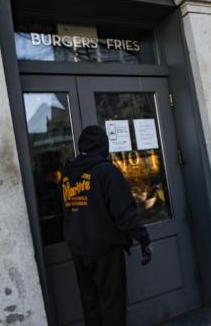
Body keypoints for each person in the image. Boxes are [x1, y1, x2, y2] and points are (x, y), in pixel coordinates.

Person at [60, 125, 152, 326]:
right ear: (103, 146)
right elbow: (125, 214)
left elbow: (66, 212)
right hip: (105, 250)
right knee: (112, 305)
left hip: (79, 250)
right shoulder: (106, 171)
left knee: (90, 303)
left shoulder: (67, 174)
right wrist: (144, 240)